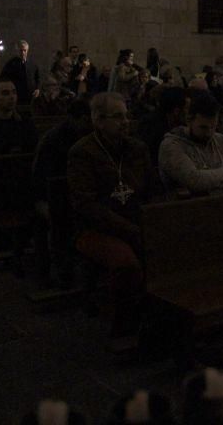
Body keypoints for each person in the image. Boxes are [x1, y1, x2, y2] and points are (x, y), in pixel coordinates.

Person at [67, 92, 152, 342]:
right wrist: (131, 230)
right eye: (117, 117)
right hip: (97, 229)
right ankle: (123, 325)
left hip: (136, 222)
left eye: (126, 116)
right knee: (127, 264)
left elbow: (151, 190)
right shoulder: (82, 152)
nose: (125, 122)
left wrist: (154, 221)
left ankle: (159, 317)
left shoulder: (137, 148)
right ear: (98, 120)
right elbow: (87, 205)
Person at [31, 98, 92, 286]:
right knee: (60, 215)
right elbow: (47, 181)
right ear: (81, 118)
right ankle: (63, 268)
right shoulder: (55, 139)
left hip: (74, 194)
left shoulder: (89, 135)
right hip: (47, 196)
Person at [158, 95, 223, 197]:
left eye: (213, 127)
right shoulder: (171, 146)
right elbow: (195, 181)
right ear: (189, 120)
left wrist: (206, 189)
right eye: (203, 128)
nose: (209, 133)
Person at [136, 86, 187, 162]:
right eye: (187, 108)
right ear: (176, 111)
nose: (190, 113)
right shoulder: (152, 127)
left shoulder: (177, 126)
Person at [0, 40, 41, 104]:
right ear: (17, 51)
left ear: (27, 51)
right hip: (17, 98)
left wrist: (37, 89)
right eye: (21, 50)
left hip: (31, 98)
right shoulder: (10, 64)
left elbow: (37, 78)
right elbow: (3, 78)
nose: (23, 53)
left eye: (24, 50)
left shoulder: (32, 64)